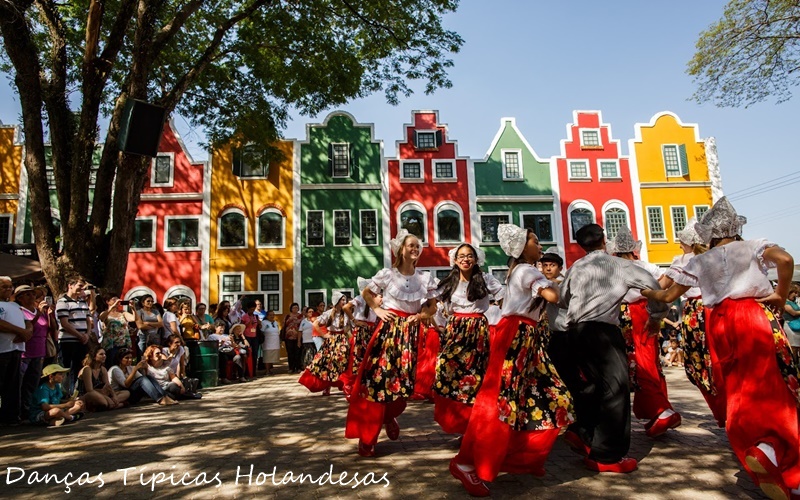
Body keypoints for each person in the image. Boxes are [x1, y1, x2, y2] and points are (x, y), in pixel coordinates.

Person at [642, 196, 800, 500]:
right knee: (773, 383)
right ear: (735, 229)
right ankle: (780, 455)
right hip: (752, 314)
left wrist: (646, 290)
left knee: (737, 386)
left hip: (718, 322)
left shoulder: (700, 260)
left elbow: (667, 295)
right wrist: (780, 294)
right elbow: (785, 260)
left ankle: (761, 443)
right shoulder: (753, 245)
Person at [449, 225, 570, 497]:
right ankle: (468, 462)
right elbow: (554, 297)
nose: (540, 245)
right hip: (517, 335)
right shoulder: (527, 270)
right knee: (501, 401)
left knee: (539, 398)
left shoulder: (525, 270)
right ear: (521, 247)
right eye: (535, 241)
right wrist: (580, 285)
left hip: (527, 336)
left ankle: (520, 457)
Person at [557, 223, 668, 474]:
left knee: (591, 387)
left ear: (581, 245)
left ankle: (583, 433)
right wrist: (657, 314)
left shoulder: (576, 267)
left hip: (574, 332)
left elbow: (564, 298)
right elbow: (653, 286)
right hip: (602, 331)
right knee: (615, 389)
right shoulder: (621, 265)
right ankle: (606, 456)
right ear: (604, 240)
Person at [345, 229, 438, 458]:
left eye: (418, 246)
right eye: (411, 245)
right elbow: (367, 292)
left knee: (403, 386)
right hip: (388, 333)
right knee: (377, 383)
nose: (415, 249)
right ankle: (368, 437)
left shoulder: (425, 278)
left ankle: (389, 416)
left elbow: (432, 306)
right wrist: (377, 309)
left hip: (410, 335)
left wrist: (422, 315)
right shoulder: (388, 274)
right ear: (401, 249)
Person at [609, 225, 681, 438]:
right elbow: (663, 285)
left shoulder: (614, 268)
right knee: (648, 360)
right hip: (646, 310)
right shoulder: (647, 266)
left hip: (624, 314)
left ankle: (660, 409)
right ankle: (656, 411)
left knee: (638, 362)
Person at [432, 243, 504, 436]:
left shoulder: (486, 279)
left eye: (470, 255)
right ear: (455, 260)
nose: (466, 259)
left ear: (476, 259)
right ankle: (456, 421)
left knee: (475, 377)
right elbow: (430, 301)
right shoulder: (449, 282)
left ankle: (472, 427)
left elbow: (505, 298)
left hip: (478, 331)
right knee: (447, 371)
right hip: (455, 330)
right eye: (462, 256)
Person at [299, 292, 352, 396]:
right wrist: (323, 335)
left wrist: (348, 334)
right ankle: (326, 386)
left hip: (342, 341)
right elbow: (315, 324)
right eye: (342, 300)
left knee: (343, 362)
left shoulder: (346, 313)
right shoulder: (329, 313)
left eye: (344, 300)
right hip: (331, 340)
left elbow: (348, 327)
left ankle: (345, 385)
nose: (344, 302)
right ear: (336, 301)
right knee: (328, 363)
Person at [0, 277, 33, 425]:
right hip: (2, 350)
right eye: (4, 287)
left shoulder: (14, 305)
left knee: (13, 384)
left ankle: (11, 416)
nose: (8, 289)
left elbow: (28, 321)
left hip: (16, 349)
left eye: (10, 287)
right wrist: (20, 331)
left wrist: (27, 332)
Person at [16, 285, 49, 420]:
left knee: (33, 383)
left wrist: (48, 314)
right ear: (20, 298)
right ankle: (19, 412)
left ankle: (29, 410)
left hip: (39, 352)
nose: (32, 297)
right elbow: (27, 328)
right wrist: (38, 315)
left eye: (33, 294)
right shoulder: (19, 311)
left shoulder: (39, 310)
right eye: (28, 294)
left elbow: (47, 329)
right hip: (25, 353)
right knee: (20, 384)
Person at [341, 278, 379, 396]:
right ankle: (351, 384)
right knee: (358, 357)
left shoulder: (374, 299)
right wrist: (354, 321)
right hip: (362, 330)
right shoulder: (359, 298)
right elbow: (345, 307)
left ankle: (365, 384)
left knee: (371, 357)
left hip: (372, 329)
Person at [55, 276, 92, 396]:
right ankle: (66, 395)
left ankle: (77, 393)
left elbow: (88, 320)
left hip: (82, 341)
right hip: (68, 341)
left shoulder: (82, 302)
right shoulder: (62, 302)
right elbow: (65, 323)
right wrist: (79, 335)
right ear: (70, 285)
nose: (82, 289)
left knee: (79, 368)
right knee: (66, 368)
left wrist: (87, 334)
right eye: (79, 286)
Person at [108, 348, 177, 405]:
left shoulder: (129, 367)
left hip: (131, 394)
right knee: (142, 380)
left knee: (148, 377)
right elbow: (126, 385)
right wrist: (135, 370)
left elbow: (145, 380)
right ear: (120, 359)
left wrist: (145, 369)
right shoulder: (115, 369)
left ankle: (165, 396)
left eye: (131, 358)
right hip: (121, 395)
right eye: (126, 358)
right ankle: (160, 399)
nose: (130, 360)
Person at [77, 345, 127, 411]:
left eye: (105, 354)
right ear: (94, 356)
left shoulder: (102, 369)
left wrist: (114, 395)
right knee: (105, 403)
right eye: (101, 354)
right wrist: (105, 396)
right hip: (87, 395)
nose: (104, 356)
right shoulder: (87, 369)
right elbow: (89, 389)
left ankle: (111, 403)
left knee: (126, 393)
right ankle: (117, 404)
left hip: (101, 393)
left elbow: (107, 385)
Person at [98, 296, 135, 369]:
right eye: (114, 299)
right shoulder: (106, 313)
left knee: (122, 364)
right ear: (107, 302)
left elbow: (133, 318)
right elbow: (101, 318)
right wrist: (112, 307)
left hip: (123, 342)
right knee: (111, 364)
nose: (117, 301)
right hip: (111, 344)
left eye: (118, 299)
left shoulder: (123, 313)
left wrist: (133, 308)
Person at [283, 303, 304, 373]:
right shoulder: (287, 316)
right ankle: (291, 367)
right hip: (288, 337)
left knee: (298, 352)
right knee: (290, 353)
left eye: (296, 307)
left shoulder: (301, 316)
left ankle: (298, 367)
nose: (295, 309)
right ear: (291, 309)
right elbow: (284, 325)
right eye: (294, 307)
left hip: (298, 337)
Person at [261, 310, 281, 375]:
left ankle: (270, 369)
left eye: (273, 315)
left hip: (275, 341)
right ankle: (267, 370)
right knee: (267, 357)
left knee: (272, 356)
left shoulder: (276, 323)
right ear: (267, 316)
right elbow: (262, 332)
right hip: (267, 342)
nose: (272, 316)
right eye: (270, 315)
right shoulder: (264, 323)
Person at [783, 284, 800, 352]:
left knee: (798, 346)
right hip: (790, 326)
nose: (796, 295)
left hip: (797, 325)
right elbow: (793, 313)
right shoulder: (785, 302)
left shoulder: (793, 302)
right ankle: (794, 361)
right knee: (793, 346)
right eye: (795, 293)